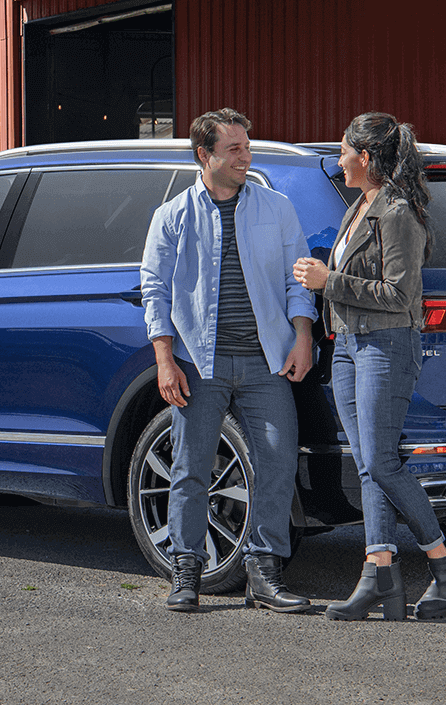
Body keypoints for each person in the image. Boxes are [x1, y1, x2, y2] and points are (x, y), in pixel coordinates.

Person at [293, 112, 446, 621]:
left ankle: (443, 562)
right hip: (349, 345)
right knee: (369, 463)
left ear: (365, 157)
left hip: (386, 346)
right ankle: (379, 575)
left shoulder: (397, 213)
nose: (339, 159)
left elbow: (399, 295)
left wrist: (329, 282)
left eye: (345, 150)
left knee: (382, 463)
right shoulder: (360, 206)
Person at [141, 108, 317, 613]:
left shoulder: (277, 208)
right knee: (191, 468)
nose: (246, 156)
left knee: (279, 463)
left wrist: (302, 336)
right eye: (235, 149)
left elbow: (297, 278)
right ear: (206, 155)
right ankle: (186, 573)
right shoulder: (172, 215)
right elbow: (153, 289)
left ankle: (264, 575)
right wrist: (165, 359)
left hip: (267, 360)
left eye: (247, 146)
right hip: (200, 361)